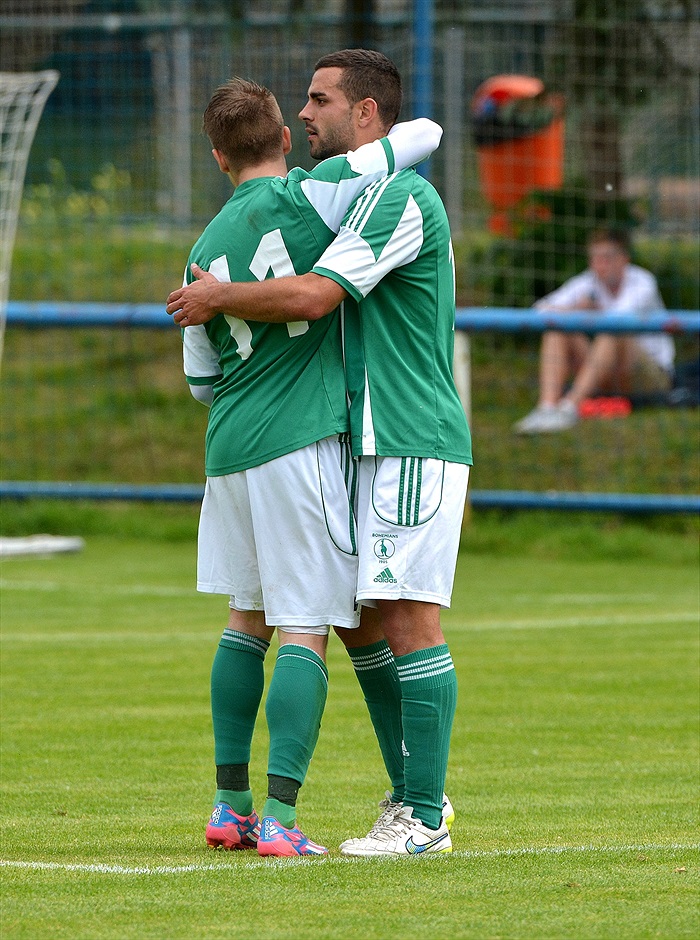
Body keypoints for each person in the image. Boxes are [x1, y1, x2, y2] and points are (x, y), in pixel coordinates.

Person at [167, 49, 472, 857]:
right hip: (343, 439)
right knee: (362, 621)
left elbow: (314, 297)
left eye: (321, 99)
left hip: (406, 431)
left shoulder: (401, 198)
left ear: (366, 114)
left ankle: (425, 812)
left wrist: (216, 294)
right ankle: (407, 796)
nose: (306, 114)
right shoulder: (326, 200)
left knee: (406, 615)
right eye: (297, 104)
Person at [513, 227, 674, 434]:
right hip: (607, 375)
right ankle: (547, 408)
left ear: (624, 259)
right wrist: (574, 310)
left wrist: (586, 311)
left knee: (613, 331)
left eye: (607, 258)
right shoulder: (588, 281)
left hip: (650, 377)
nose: (600, 265)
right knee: (556, 327)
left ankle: (569, 408)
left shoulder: (643, 282)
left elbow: (618, 317)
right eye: (595, 258)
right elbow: (539, 310)